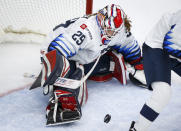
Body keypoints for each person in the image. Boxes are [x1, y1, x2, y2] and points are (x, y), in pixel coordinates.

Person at [33, 4, 143, 125]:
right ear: (101, 20)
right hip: (52, 51)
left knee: (107, 63)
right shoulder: (85, 30)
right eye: (110, 30)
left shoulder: (118, 31)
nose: (111, 34)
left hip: (83, 54)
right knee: (71, 70)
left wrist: (137, 62)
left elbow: (129, 45)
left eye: (114, 32)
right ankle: (59, 103)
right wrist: (52, 75)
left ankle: (90, 67)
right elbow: (57, 50)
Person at [129, 9, 181, 131]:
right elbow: (168, 44)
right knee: (163, 93)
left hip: (174, 52)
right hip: (157, 47)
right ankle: (137, 128)